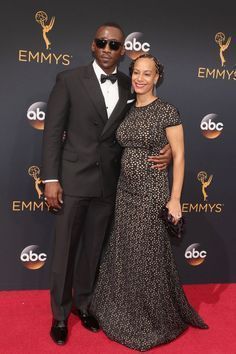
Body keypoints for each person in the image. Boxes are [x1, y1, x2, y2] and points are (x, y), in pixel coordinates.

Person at [41, 24, 171, 345]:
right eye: (102, 42)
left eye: (114, 44)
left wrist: (166, 148)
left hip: (110, 185)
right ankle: (60, 315)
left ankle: (83, 305)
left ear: (122, 50)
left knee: (93, 251)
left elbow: (148, 117)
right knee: (64, 253)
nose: (107, 48)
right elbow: (52, 133)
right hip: (71, 181)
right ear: (92, 45)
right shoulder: (69, 80)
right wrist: (51, 179)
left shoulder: (131, 85)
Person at [90, 53, 208, 351]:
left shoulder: (167, 111)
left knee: (147, 253)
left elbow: (179, 156)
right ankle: (120, 310)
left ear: (157, 78)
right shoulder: (126, 110)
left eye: (148, 73)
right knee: (124, 250)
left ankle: (153, 319)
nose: (141, 78)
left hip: (151, 191)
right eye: (137, 72)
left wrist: (176, 199)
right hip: (124, 190)